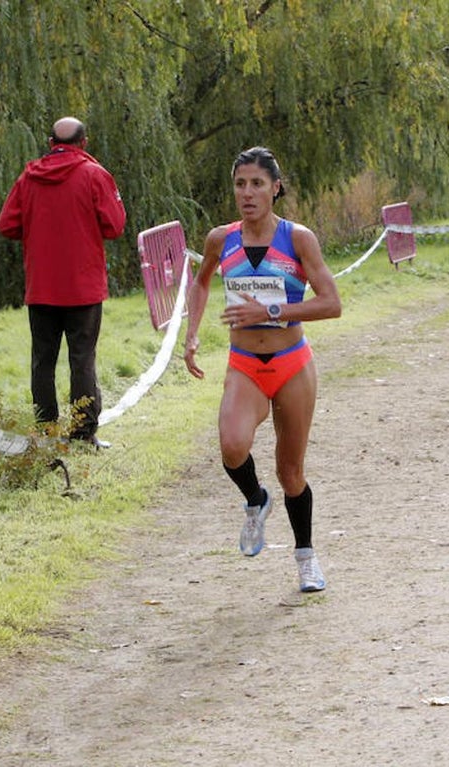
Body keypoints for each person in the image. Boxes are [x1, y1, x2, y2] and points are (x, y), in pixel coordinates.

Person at [183, 146, 341, 593]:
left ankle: (306, 558)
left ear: (275, 188)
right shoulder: (220, 239)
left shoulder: (298, 239)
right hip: (245, 364)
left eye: (256, 184)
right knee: (232, 447)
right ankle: (255, 500)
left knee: (291, 471)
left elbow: (332, 303)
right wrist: (191, 336)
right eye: (240, 184)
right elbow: (201, 281)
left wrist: (270, 309)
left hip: (292, 365)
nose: (247, 193)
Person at [0, 116, 127, 446]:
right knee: (82, 360)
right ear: (83, 143)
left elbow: (6, 224)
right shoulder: (95, 175)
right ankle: (84, 435)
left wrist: (39, 229)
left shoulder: (29, 178)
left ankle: (46, 433)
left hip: (41, 287)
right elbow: (114, 225)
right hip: (83, 288)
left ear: (51, 143)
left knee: (43, 361)